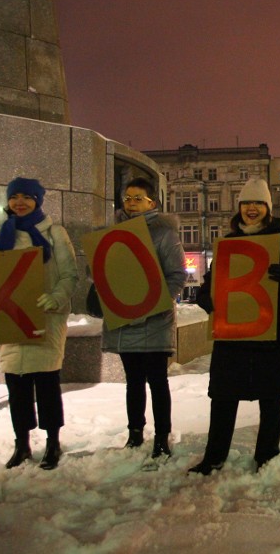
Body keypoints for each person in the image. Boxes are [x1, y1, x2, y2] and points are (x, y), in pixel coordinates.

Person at [189, 177, 280, 475]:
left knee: (271, 398)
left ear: (267, 207)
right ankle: (214, 457)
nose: (252, 209)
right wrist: (205, 296)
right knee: (224, 397)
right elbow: (213, 282)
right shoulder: (227, 242)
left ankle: (267, 456)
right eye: (246, 203)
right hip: (234, 334)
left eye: (258, 203)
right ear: (239, 207)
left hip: (271, 332)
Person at [0, 177, 79, 470]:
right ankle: (22, 444)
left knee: (46, 385)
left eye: (27, 197)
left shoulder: (55, 233)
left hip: (46, 319)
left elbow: (69, 274)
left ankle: (52, 443)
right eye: (14, 197)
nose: (20, 202)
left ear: (38, 199)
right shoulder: (0, 234)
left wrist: (56, 297)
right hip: (10, 320)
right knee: (17, 386)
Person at [101, 177, 186, 462]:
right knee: (133, 381)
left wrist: (163, 302)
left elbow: (177, 274)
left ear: (152, 203)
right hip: (126, 320)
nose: (131, 203)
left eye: (138, 198)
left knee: (157, 381)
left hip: (155, 320)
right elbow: (101, 272)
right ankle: (135, 433)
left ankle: (162, 436)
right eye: (127, 198)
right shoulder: (112, 233)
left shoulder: (164, 234)